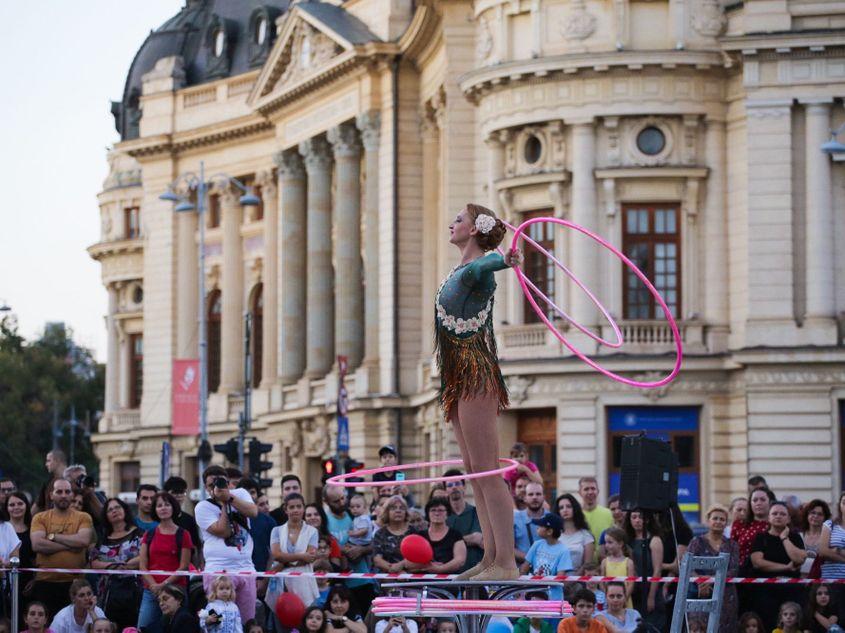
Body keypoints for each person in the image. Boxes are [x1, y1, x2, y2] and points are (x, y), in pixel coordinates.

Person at [435, 203, 522, 581]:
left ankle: (507, 562)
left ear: (474, 230)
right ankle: (490, 558)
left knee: (488, 471)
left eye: (459, 219)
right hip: (456, 377)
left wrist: (506, 259)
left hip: (475, 373)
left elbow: (487, 266)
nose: (451, 223)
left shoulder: (478, 270)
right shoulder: (459, 271)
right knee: (473, 471)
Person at [195, 465, 258, 623]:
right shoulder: (202, 506)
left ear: (228, 482)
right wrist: (224, 503)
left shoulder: (241, 494)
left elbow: (253, 512)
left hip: (245, 568)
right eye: (211, 485)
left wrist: (229, 497)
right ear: (205, 487)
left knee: (247, 622)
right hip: (218, 570)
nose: (215, 488)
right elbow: (223, 531)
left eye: (220, 483)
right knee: (220, 623)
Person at [30, 478, 94, 620]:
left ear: (72, 495)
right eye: (59, 491)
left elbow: (83, 540)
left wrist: (52, 536)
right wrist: (71, 544)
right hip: (45, 583)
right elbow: (37, 545)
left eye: (67, 491)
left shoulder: (83, 517)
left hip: (75, 585)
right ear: (51, 495)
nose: (64, 495)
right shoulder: (39, 518)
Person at [138, 492, 194, 633]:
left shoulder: (184, 534)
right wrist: (153, 586)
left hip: (175, 592)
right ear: (155, 510)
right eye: (159, 505)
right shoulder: (149, 534)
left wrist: (163, 585)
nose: (163, 508)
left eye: (167, 504)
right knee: (142, 628)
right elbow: (143, 565)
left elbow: (184, 566)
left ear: (173, 508)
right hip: (151, 591)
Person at [749, 501, 807, 630]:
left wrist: (784, 538)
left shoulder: (795, 537)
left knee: (792, 627)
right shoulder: (761, 537)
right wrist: (786, 567)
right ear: (769, 517)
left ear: (788, 518)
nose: (778, 516)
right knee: (768, 625)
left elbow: (799, 559)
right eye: (774, 513)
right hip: (766, 591)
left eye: (782, 514)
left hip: (791, 591)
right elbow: (757, 563)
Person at [685, 504, 739, 633]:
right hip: (700, 592)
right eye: (715, 518)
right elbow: (687, 567)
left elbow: (733, 570)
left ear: (726, 523)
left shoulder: (732, 545)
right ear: (708, 521)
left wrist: (710, 580)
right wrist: (700, 581)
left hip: (726, 595)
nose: (718, 522)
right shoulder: (696, 542)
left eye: (722, 519)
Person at [90, 498, 142, 630]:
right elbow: (94, 562)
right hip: (108, 593)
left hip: (134, 591)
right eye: (110, 510)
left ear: (124, 510)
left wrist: (127, 564)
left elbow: (146, 556)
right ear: (106, 516)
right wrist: (111, 566)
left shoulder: (138, 533)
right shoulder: (103, 538)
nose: (114, 511)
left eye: (117, 507)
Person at [267, 492, 319, 624]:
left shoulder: (312, 531)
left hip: (304, 584)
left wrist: (283, 564)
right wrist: (301, 555)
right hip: (281, 586)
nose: (296, 510)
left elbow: (310, 558)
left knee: (305, 625)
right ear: (285, 509)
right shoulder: (276, 530)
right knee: (282, 625)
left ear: (303, 508)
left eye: (299, 506)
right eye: (292, 507)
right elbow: (277, 555)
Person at [623, 509, 663, 629]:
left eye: (640, 517)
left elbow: (657, 570)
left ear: (647, 520)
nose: (637, 520)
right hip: (632, 591)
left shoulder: (654, 540)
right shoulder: (627, 541)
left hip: (650, 589)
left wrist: (651, 596)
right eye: (633, 517)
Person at [519, 513, 572, 602]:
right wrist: (520, 588)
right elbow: (525, 567)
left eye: (540, 526)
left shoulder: (563, 550)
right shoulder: (537, 545)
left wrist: (540, 581)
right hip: (533, 594)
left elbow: (560, 578)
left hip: (553, 598)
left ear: (549, 531)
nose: (537, 528)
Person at [442, 469, 484, 574]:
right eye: (450, 485)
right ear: (445, 490)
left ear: (464, 487)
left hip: (475, 572)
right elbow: (440, 543)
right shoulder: (442, 515)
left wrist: (450, 542)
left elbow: (480, 540)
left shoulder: (477, 512)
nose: (454, 487)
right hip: (449, 574)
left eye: (457, 483)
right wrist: (470, 539)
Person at [416, 497, 467, 573]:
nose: (437, 513)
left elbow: (460, 560)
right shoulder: (420, 535)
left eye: (440, 510)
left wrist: (440, 569)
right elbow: (411, 560)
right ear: (428, 514)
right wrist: (428, 566)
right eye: (433, 510)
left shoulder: (455, 534)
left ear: (447, 513)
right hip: (424, 582)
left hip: (449, 582)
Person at [238, 477, 275, 579]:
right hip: (235, 575)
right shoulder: (230, 518)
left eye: (252, 492)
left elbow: (273, 554)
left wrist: (265, 579)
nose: (249, 495)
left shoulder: (269, 522)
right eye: (245, 492)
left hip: (260, 576)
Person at [732, 487, 774, 570]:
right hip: (743, 573)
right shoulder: (739, 524)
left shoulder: (775, 525)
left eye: (762, 499)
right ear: (750, 504)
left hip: (771, 572)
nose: (758, 503)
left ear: (770, 502)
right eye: (755, 500)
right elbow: (731, 551)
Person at [163, 476, 201, 560]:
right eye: (175, 492)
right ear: (166, 494)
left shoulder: (189, 520)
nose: (179, 496)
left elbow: (195, 546)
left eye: (182, 492)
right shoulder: (159, 518)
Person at [373, 495, 413, 572]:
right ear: (387, 512)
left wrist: (401, 565)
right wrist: (396, 570)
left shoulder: (413, 531)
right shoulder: (380, 533)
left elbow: (417, 556)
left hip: (410, 576)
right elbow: (377, 560)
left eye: (402, 508)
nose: (398, 511)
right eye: (393, 508)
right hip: (388, 578)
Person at [556, 493, 595, 573]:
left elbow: (587, 565)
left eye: (569, 506)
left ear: (575, 508)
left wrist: (572, 580)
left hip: (577, 581)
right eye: (561, 508)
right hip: (555, 580)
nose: (565, 510)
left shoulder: (586, 535)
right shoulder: (554, 535)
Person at [578, 478, 613, 560]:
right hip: (582, 566)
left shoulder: (608, 513)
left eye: (593, 488)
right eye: (586, 489)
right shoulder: (576, 515)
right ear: (579, 492)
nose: (590, 492)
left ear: (598, 491)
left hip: (605, 564)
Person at [599, 528, 634, 605]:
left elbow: (631, 584)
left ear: (620, 544)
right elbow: (601, 582)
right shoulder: (604, 562)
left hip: (625, 602)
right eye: (606, 542)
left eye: (610, 542)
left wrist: (624, 598)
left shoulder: (628, 562)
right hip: (609, 602)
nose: (606, 545)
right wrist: (608, 596)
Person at [514, 482, 546, 563]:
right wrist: (532, 559)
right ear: (525, 498)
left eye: (538, 494)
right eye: (531, 494)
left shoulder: (552, 519)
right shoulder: (514, 518)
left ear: (544, 497)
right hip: (521, 572)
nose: (534, 497)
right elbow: (508, 549)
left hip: (548, 572)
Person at [305, 503, 342, 569]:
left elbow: (337, 568)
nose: (313, 517)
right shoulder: (298, 539)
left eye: (316, 514)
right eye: (309, 515)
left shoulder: (331, 540)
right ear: (304, 519)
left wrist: (323, 562)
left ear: (322, 517)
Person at [801, 499, 831, 577]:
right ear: (807, 515)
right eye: (812, 513)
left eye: (820, 514)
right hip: (799, 579)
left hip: (820, 579)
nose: (815, 516)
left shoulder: (828, 538)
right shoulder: (799, 535)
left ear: (825, 518)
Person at [819, 492, 845, 581]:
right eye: (844, 503)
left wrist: (837, 550)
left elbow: (827, 551)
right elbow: (822, 551)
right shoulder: (829, 525)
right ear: (840, 506)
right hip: (831, 579)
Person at [346, 494, 374, 562]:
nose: (354, 509)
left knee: (346, 548)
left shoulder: (363, 518)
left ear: (364, 508)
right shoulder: (359, 517)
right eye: (352, 507)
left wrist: (354, 534)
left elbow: (364, 530)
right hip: (361, 542)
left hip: (361, 542)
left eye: (358, 506)